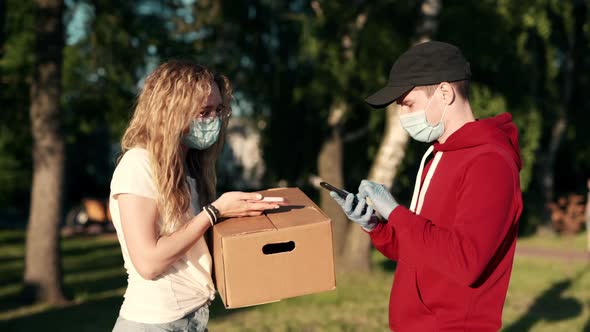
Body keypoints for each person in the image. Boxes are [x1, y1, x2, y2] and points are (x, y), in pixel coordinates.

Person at [330, 41, 523, 331]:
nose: (403, 116)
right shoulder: (437, 154)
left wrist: (395, 212)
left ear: (444, 93)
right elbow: (421, 248)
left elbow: (465, 262)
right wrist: (376, 225)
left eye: (408, 104)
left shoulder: (490, 163)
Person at [109, 60, 282, 332]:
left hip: (192, 321)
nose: (212, 120)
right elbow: (148, 263)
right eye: (203, 112)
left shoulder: (189, 170)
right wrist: (213, 213)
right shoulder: (138, 164)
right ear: (169, 111)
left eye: (217, 111)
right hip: (153, 323)